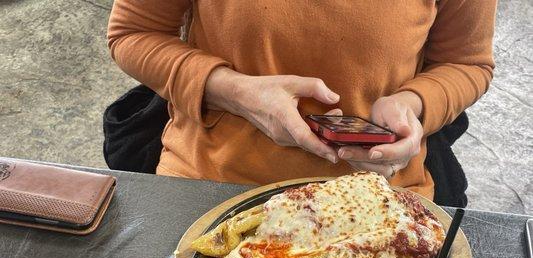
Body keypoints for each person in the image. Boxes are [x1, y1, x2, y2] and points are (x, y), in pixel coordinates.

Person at [107, 0, 496, 200]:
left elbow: (466, 62)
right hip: (209, 184)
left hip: (378, 196)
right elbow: (133, 33)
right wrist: (238, 94)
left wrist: (413, 105)